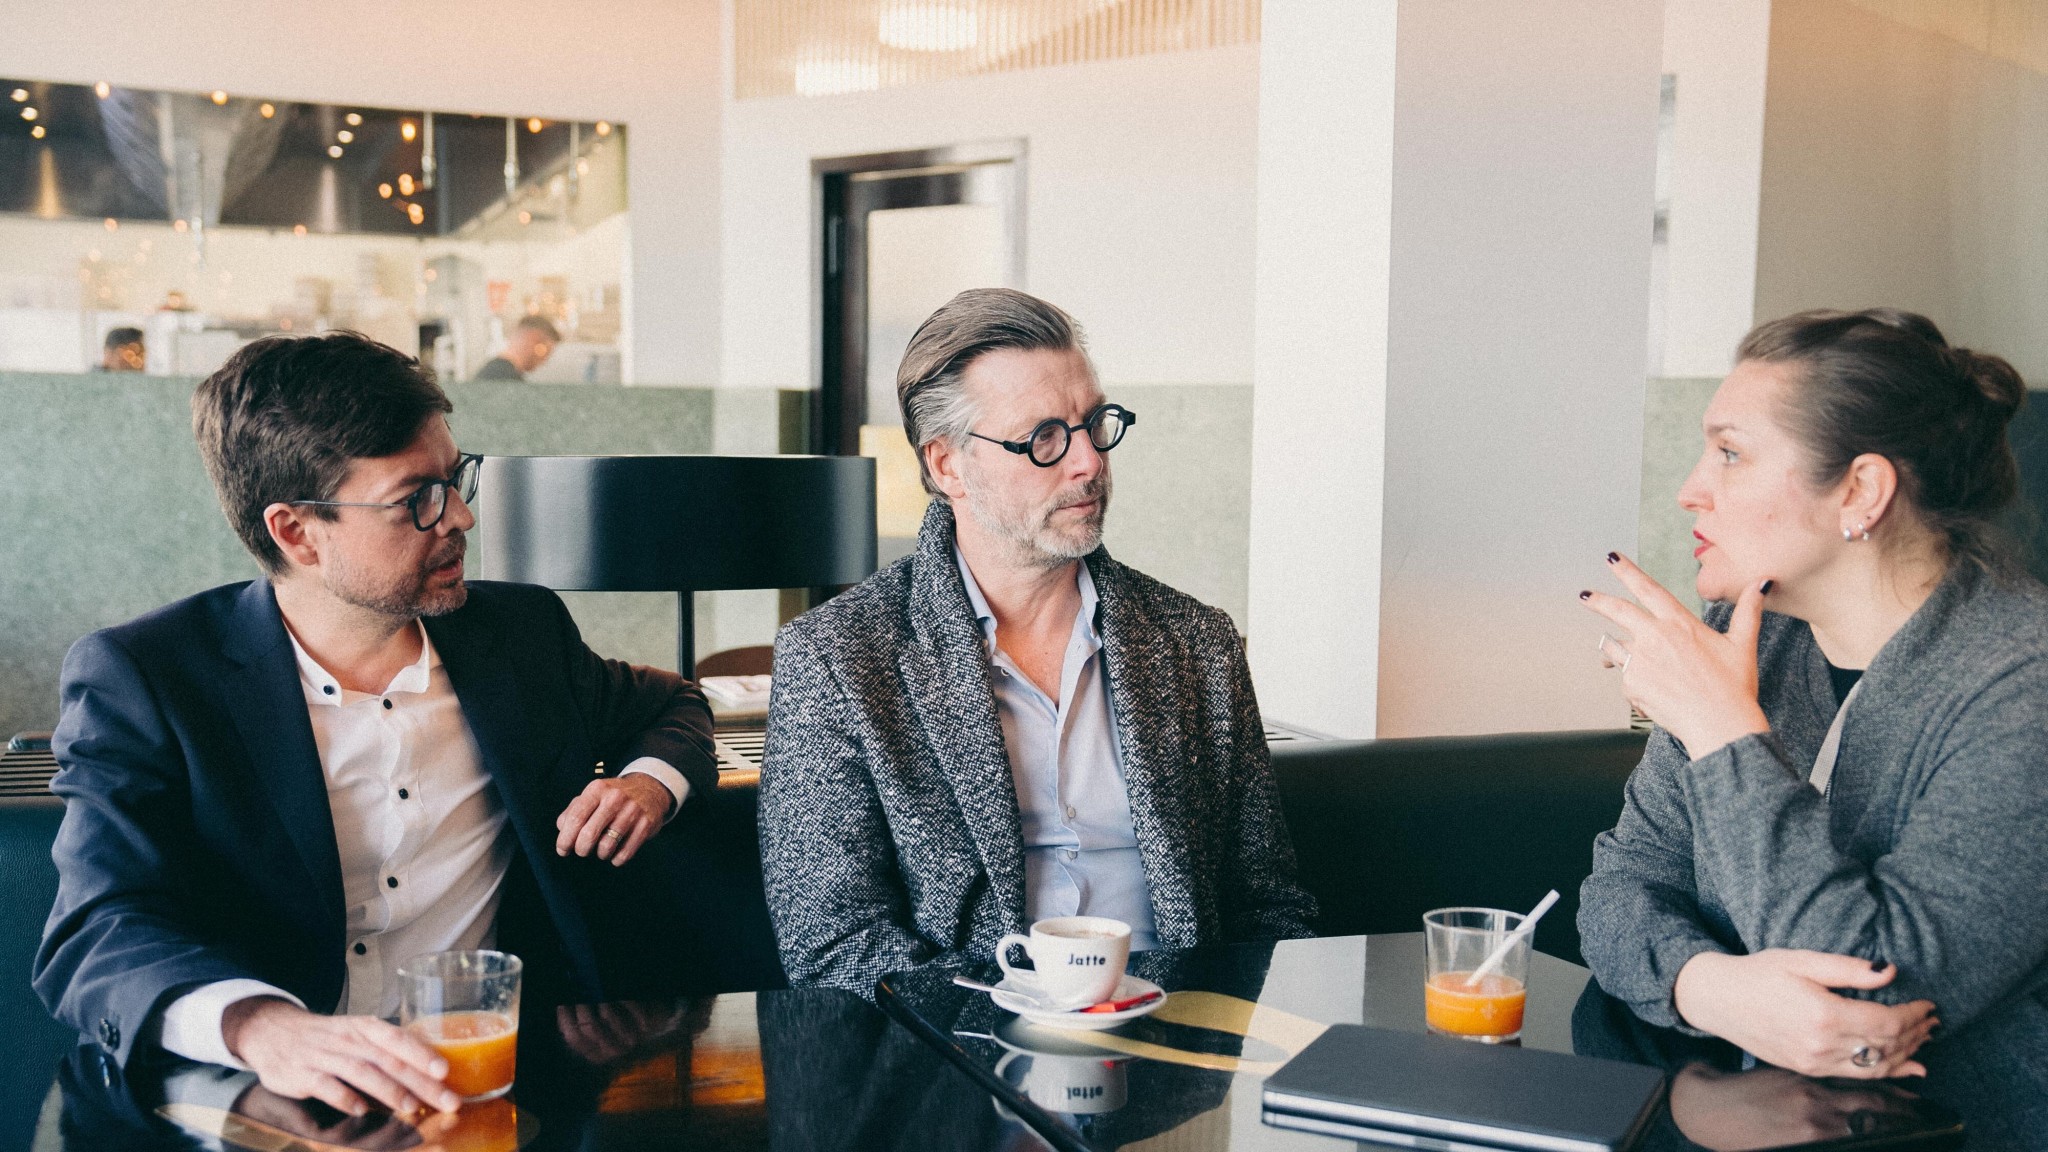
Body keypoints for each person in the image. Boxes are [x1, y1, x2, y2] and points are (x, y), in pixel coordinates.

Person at [34, 331, 717, 1119]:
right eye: (415, 499)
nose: (459, 516)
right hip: (264, 1108)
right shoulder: (148, 678)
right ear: (296, 532)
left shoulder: (520, 637)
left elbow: (673, 705)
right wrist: (262, 1027)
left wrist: (648, 783)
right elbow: (96, 927)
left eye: (456, 479)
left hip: (500, 1095)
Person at [759, 288, 1316, 995]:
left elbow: (1268, 907)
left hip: (1177, 1058)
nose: (1088, 462)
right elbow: (832, 942)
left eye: (1093, 424)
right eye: (1044, 437)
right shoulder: (839, 659)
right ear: (947, 465)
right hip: (960, 1064)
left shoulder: (1195, 644)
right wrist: (1005, 1031)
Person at [1577, 309, 2048, 1142]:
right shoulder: (1756, 637)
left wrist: (1724, 731)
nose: (1692, 486)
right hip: (1741, 1113)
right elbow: (1617, 894)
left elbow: (1872, 991)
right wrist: (1706, 987)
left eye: (1730, 451)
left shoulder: (2023, 684)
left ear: (1861, 491)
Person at [472, 315, 559, 381]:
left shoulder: (492, 371)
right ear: (533, 339)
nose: (544, 361)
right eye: (545, 352)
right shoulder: (508, 379)